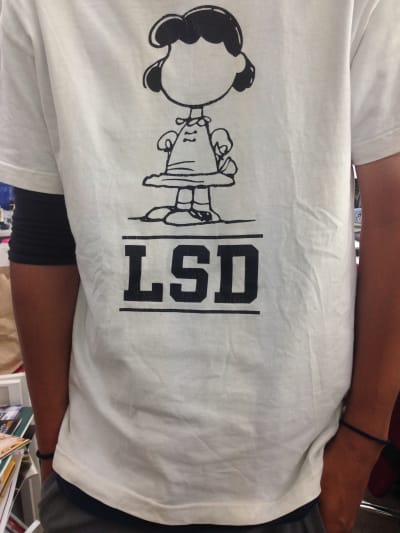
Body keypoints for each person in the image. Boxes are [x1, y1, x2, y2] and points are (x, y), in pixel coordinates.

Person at [0, 1, 399, 532]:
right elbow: (43, 229)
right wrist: (52, 446)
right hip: (96, 474)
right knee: (183, 184)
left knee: (199, 184)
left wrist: (361, 446)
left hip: (295, 479)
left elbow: (393, 209)